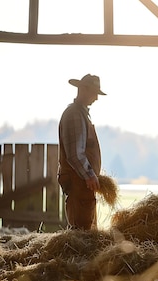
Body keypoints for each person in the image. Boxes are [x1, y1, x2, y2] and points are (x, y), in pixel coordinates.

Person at [57, 74, 106, 230]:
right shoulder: (74, 115)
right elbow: (75, 154)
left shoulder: (82, 113)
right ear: (83, 90)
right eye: (94, 92)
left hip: (83, 184)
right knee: (81, 232)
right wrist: (90, 175)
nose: (96, 98)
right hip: (79, 182)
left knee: (87, 228)